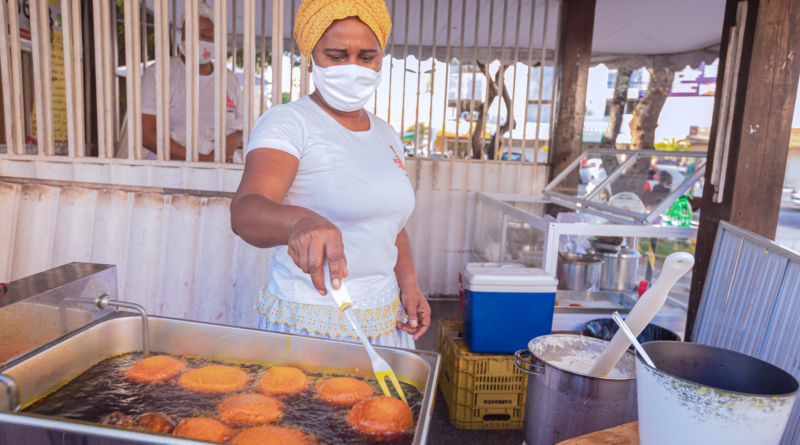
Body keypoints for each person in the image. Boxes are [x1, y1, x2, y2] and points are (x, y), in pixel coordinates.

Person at [230, 0, 430, 348]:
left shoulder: (387, 134)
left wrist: (409, 287)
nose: (352, 68)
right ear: (311, 56)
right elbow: (246, 209)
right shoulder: (289, 123)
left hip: (385, 320)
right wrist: (298, 223)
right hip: (313, 324)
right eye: (337, 56)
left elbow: (391, 225)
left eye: (367, 57)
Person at [140, 4, 243, 162]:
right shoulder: (160, 74)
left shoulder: (230, 81)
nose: (198, 40)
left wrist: (234, 139)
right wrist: (201, 159)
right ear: (181, 37)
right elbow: (145, 134)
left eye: (206, 35)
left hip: (220, 172)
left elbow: (245, 129)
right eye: (190, 34)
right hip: (166, 171)